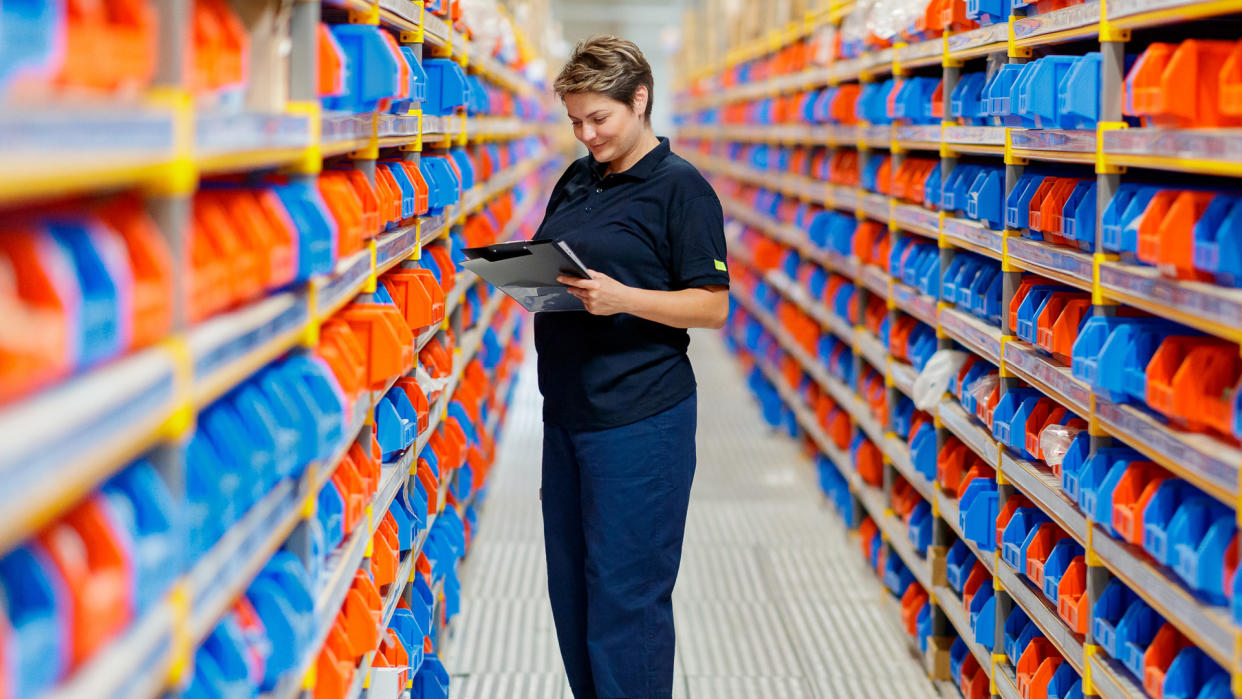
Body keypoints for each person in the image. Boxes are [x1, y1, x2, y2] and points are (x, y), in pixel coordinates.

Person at [531, 34, 730, 699]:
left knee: (626, 601)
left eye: (600, 118)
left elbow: (711, 307)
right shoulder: (579, 176)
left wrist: (622, 299)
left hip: (640, 420)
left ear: (639, 99)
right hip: (566, 413)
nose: (587, 134)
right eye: (576, 121)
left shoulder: (682, 190)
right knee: (573, 593)